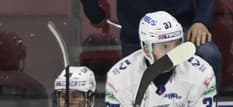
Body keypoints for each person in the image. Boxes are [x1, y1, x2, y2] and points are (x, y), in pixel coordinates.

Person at [80, 0, 223, 91]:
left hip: (179, 30)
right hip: (136, 35)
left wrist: (202, 20)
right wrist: (93, 12)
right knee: (135, 93)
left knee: (208, 54)